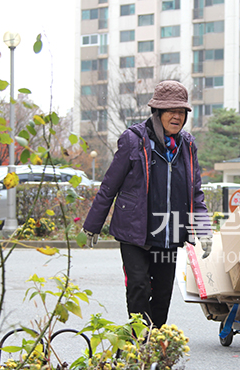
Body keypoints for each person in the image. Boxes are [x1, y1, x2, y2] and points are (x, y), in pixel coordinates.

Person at [82, 80, 212, 328]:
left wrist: (203, 229)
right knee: (139, 287)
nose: (177, 116)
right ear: (158, 112)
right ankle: (139, 343)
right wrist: (93, 224)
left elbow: (195, 191)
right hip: (135, 232)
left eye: (181, 111)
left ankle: (152, 343)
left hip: (168, 231)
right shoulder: (134, 140)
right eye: (171, 111)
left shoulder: (187, 145)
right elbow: (110, 185)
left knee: (163, 296)